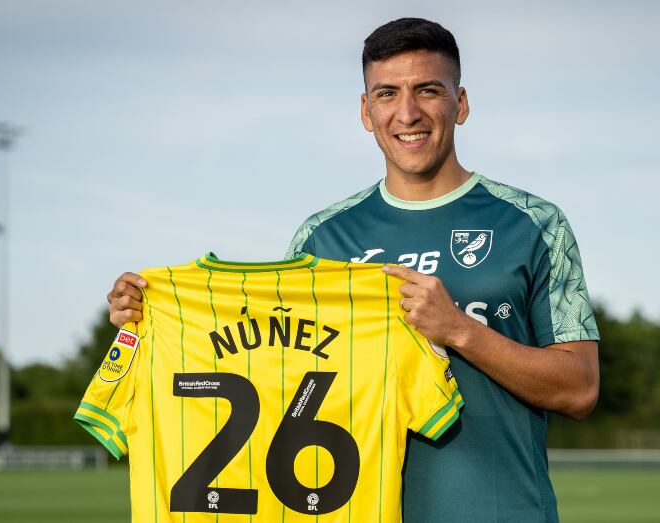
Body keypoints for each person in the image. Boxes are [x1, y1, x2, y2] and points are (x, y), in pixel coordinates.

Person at [107, 17, 599, 523]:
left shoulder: (536, 224)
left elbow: (580, 389)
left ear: (462, 102)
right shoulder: (322, 237)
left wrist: (458, 329)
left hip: (502, 511)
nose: (407, 113)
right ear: (366, 111)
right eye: (387, 93)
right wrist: (150, 325)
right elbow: (267, 374)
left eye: (428, 90)